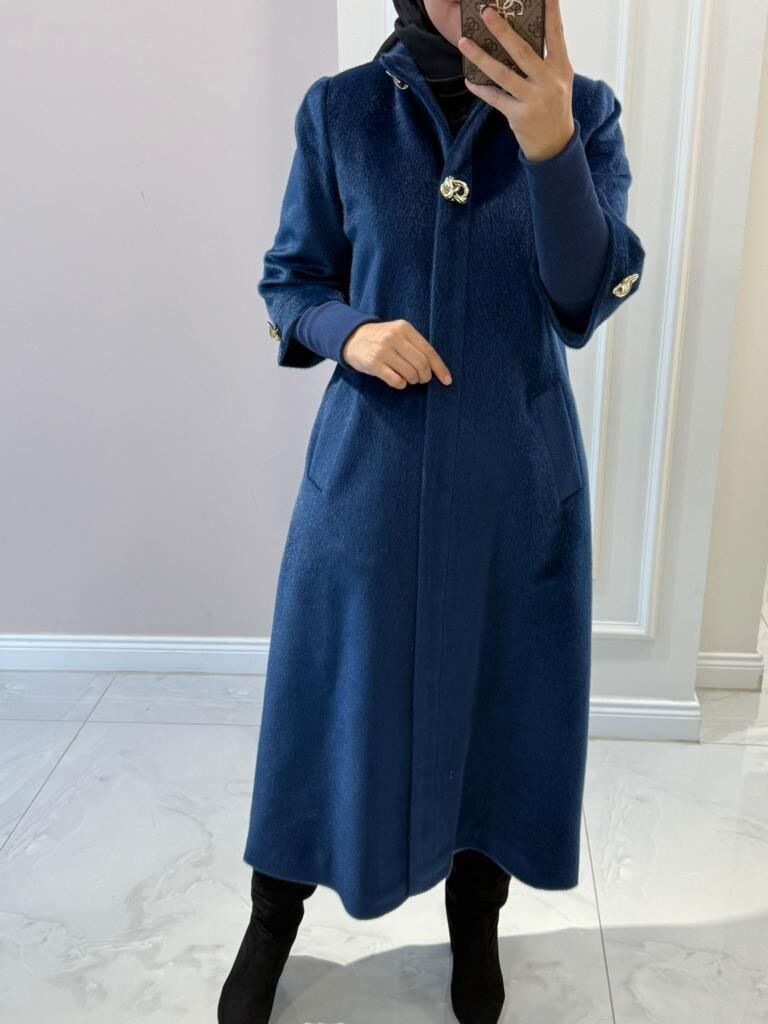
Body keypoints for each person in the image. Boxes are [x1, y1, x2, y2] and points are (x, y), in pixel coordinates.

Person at [218, 1, 645, 1022]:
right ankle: (272, 918)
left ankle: (475, 923)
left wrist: (549, 148)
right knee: (324, 714)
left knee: (500, 718)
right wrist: (351, 333)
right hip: (367, 486)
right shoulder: (343, 113)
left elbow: (584, 300)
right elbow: (290, 282)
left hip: (515, 494)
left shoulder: (584, 112)